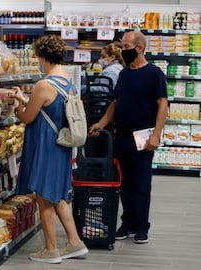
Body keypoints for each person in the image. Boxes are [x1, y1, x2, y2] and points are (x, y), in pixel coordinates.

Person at [12, 34, 88, 264]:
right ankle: (75, 243)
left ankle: (51, 250)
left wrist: (18, 106)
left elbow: (28, 117)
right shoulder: (67, 81)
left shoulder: (44, 84)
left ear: (43, 57)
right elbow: (49, 108)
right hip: (62, 146)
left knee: (44, 197)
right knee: (58, 196)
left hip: (46, 147)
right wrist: (27, 98)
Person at [89, 31, 168, 244]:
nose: (123, 51)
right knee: (123, 183)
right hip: (121, 136)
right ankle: (128, 223)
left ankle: (142, 226)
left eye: (125, 47)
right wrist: (102, 122)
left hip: (143, 137)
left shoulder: (154, 73)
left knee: (141, 184)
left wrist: (156, 134)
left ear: (139, 48)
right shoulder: (124, 74)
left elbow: (162, 104)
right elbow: (116, 103)